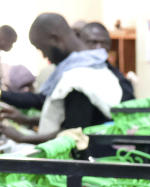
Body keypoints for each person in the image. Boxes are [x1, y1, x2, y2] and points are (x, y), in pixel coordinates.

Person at [0, 13, 122, 144]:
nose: (44, 55)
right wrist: (25, 119)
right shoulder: (90, 65)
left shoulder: (80, 77)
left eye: (42, 48)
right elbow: (62, 112)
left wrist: (22, 138)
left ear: (54, 39)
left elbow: (73, 133)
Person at [78, 21, 135, 101]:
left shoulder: (119, 80)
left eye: (104, 43)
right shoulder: (72, 74)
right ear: (80, 43)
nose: (99, 48)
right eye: (93, 42)